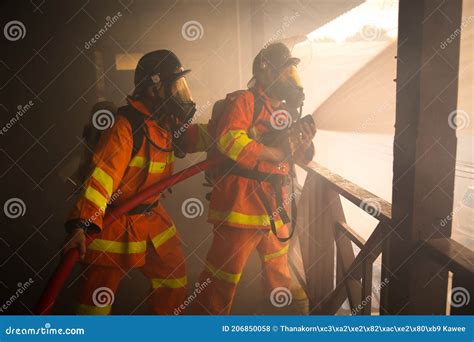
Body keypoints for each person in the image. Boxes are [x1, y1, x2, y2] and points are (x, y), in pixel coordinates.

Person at [63, 50, 209, 315]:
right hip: (114, 223)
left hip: (152, 218)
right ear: (155, 89)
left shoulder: (163, 120)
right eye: (174, 85)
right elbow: (102, 176)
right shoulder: (125, 125)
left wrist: (229, 133)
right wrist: (81, 225)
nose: (180, 93)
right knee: (96, 299)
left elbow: (191, 138)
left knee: (173, 273)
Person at [194, 42, 316, 314]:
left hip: (273, 211)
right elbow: (228, 140)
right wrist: (275, 152)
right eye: (287, 74)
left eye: (293, 74)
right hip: (240, 209)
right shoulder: (243, 101)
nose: (292, 81)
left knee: (279, 276)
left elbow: (296, 157)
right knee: (221, 281)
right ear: (266, 73)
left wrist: (302, 144)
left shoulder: (283, 112)